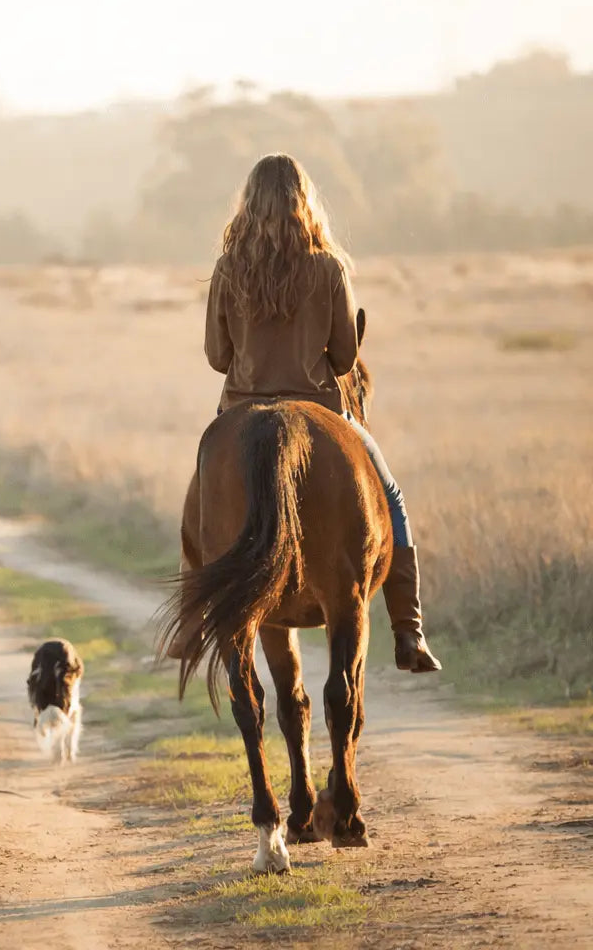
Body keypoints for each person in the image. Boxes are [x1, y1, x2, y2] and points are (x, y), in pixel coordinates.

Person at [183, 152, 440, 672]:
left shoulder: (229, 269)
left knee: (199, 501)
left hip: (239, 406)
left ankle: (192, 626)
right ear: (306, 204)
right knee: (390, 496)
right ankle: (409, 630)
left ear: (248, 205)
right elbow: (346, 358)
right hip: (321, 408)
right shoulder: (330, 268)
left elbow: (217, 358)